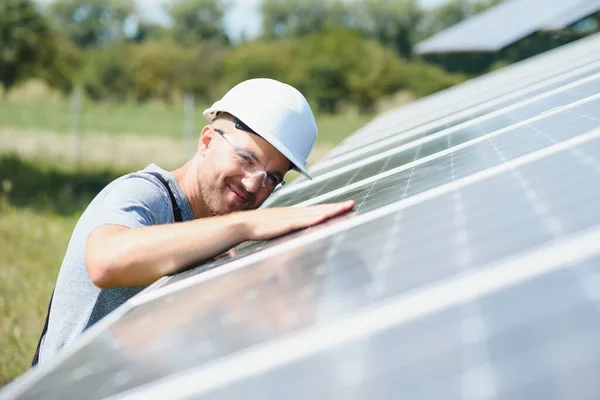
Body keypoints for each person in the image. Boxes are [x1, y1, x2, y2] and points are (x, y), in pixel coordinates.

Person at [32, 78, 355, 365]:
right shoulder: (144, 195)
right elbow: (105, 262)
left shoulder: (212, 226)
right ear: (206, 141)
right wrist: (244, 227)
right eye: (246, 158)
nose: (254, 185)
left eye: (273, 177)